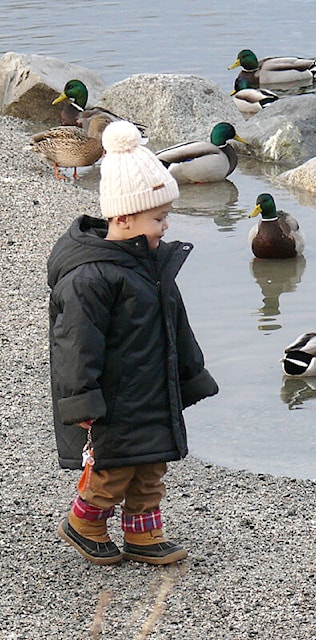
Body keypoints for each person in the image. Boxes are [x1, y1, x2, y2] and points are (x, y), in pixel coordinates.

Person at [47, 120, 218, 565]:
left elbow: (175, 324)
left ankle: (144, 532)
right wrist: (81, 402)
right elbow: (75, 345)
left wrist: (190, 375)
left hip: (155, 387)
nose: (165, 226)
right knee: (114, 468)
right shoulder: (91, 276)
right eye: (158, 218)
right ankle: (84, 521)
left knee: (152, 465)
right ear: (123, 217)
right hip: (116, 397)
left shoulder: (151, 266)